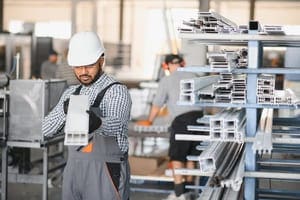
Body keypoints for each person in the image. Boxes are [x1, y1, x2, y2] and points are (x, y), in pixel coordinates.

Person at [42, 31, 132, 200]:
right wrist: (63, 111)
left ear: (101, 60)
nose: (83, 71)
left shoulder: (116, 91)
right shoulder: (71, 93)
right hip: (74, 170)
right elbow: (45, 130)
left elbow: (117, 124)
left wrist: (97, 123)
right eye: (77, 67)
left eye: (89, 66)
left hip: (105, 170)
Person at [137, 54, 203, 200]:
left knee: (177, 157)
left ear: (165, 66)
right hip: (199, 118)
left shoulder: (167, 80)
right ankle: (190, 192)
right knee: (191, 157)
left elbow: (157, 104)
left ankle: (179, 194)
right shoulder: (196, 75)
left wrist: (149, 121)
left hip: (182, 120)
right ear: (183, 63)